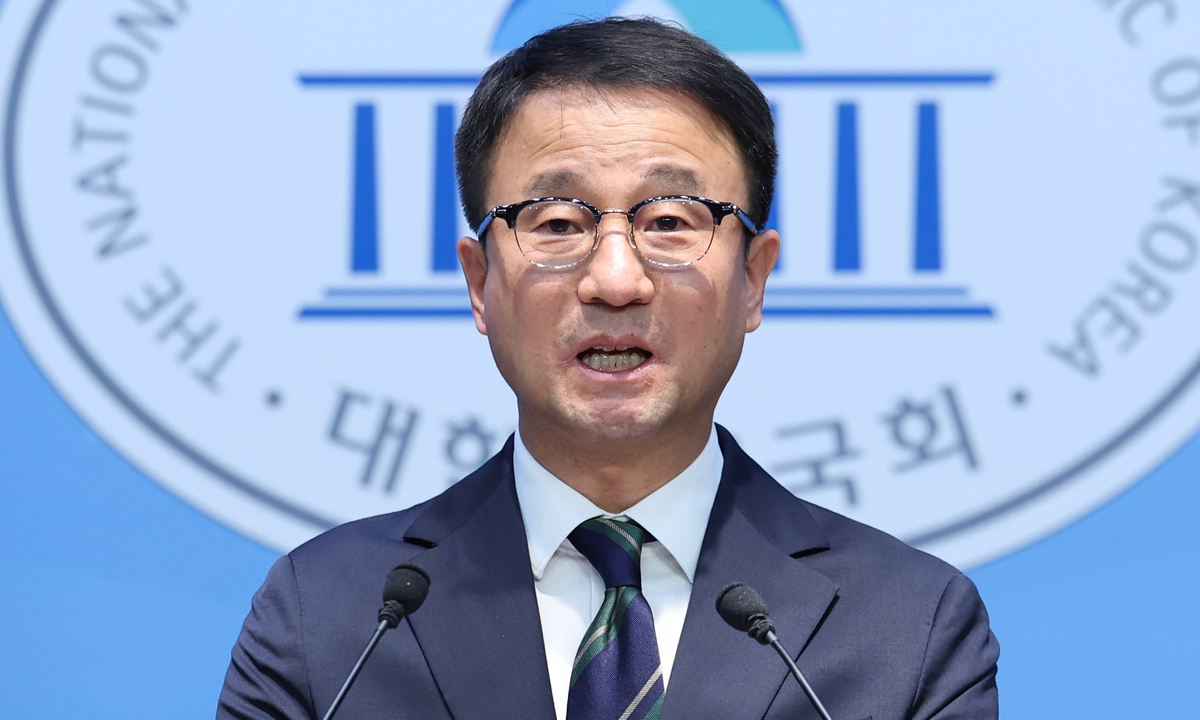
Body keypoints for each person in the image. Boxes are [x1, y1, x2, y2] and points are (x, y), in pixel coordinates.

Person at [217, 18, 999, 720]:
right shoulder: (330, 619)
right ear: (480, 283)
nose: (616, 280)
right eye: (558, 223)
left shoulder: (908, 626)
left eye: (670, 221)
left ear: (754, 280)